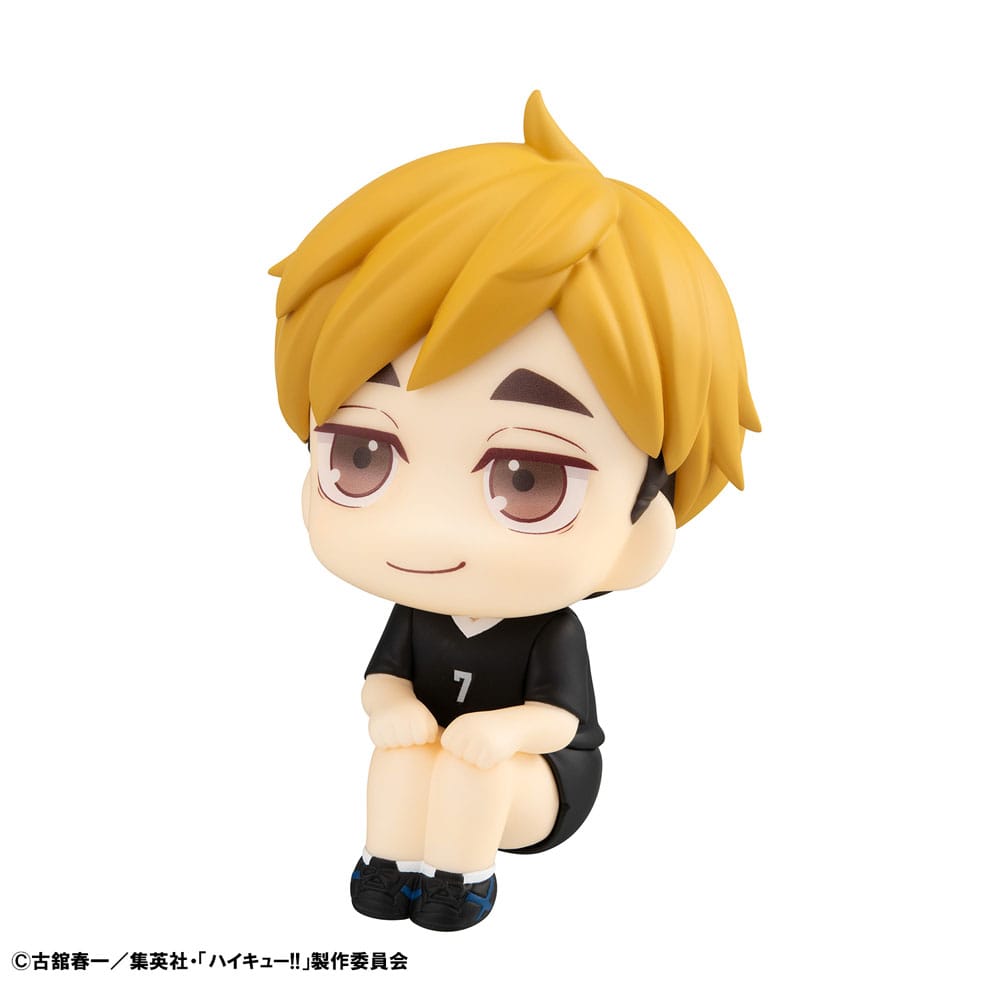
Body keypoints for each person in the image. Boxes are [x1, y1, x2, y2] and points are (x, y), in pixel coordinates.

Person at [270, 91, 759, 931]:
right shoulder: (418, 613)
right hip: (439, 760)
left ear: (639, 532)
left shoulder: (549, 633)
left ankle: (463, 881)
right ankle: (388, 865)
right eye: (363, 456)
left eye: (527, 479)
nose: (427, 530)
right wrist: (392, 710)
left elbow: (561, 721)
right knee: (403, 755)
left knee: (469, 771)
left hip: (539, 779)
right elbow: (384, 682)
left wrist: (500, 734)